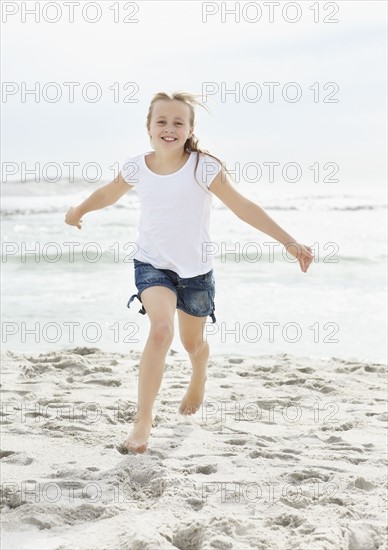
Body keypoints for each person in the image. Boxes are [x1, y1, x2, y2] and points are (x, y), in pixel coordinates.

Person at [65, 91, 314, 454]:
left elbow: (243, 207)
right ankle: (143, 422)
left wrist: (289, 242)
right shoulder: (137, 166)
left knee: (192, 344)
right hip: (152, 264)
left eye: (178, 122)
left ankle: (199, 373)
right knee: (161, 330)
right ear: (148, 127)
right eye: (161, 121)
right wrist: (78, 211)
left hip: (196, 272)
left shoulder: (203, 167)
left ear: (190, 129)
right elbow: (108, 193)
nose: (169, 128)